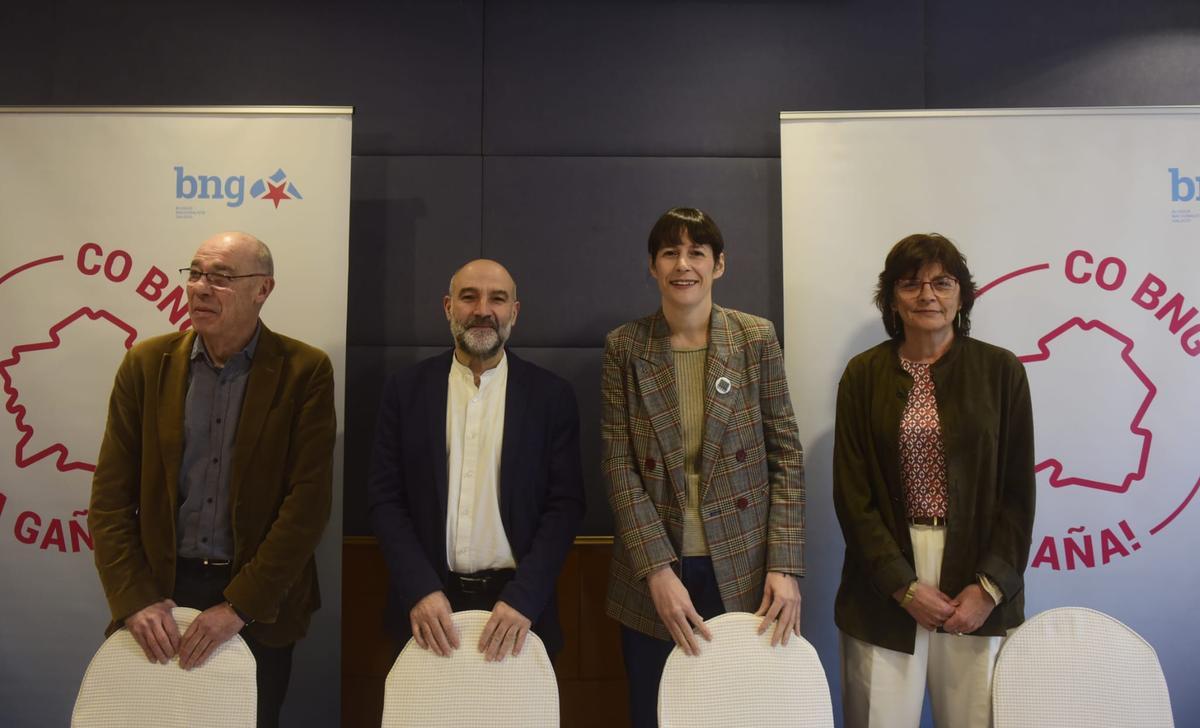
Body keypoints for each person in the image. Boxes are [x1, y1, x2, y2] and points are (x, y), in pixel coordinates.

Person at [88, 231, 336, 727]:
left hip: (257, 605)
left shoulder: (304, 371)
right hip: (158, 596)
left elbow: (306, 506)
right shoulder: (145, 365)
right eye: (196, 273)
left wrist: (240, 607)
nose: (200, 287)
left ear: (262, 289)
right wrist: (134, 598)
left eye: (220, 277)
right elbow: (110, 500)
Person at [602, 207, 806, 727]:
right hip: (656, 573)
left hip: (744, 567)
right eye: (670, 252)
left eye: (696, 252)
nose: (682, 264)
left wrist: (783, 566)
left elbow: (786, 455)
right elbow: (619, 467)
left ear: (719, 265)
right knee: (657, 711)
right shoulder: (625, 347)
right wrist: (657, 570)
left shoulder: (755, 338)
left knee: (742, 712)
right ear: (652, 266)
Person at [833, 233, 1036, 728]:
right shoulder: (863, 376)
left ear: (962, 295)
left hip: (974, 575)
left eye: (942, 283)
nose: (928, 295)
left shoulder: (1001, 372)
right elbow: (852, 496)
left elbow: (1018, 494)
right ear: (891, 298)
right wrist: (902, 586)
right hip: (884, 581)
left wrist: (989, 588)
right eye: (911, 284)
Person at [368, 259, 585, 663]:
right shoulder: (405, 391)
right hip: (427, 611)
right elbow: (385, 499)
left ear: (514, 313)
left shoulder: (551, 397)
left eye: (497, 299)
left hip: (519, 612)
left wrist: (524, 599)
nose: (483, 310)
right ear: (448, 307)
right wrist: (419, 588)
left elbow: (566, 506)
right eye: (469, 297)